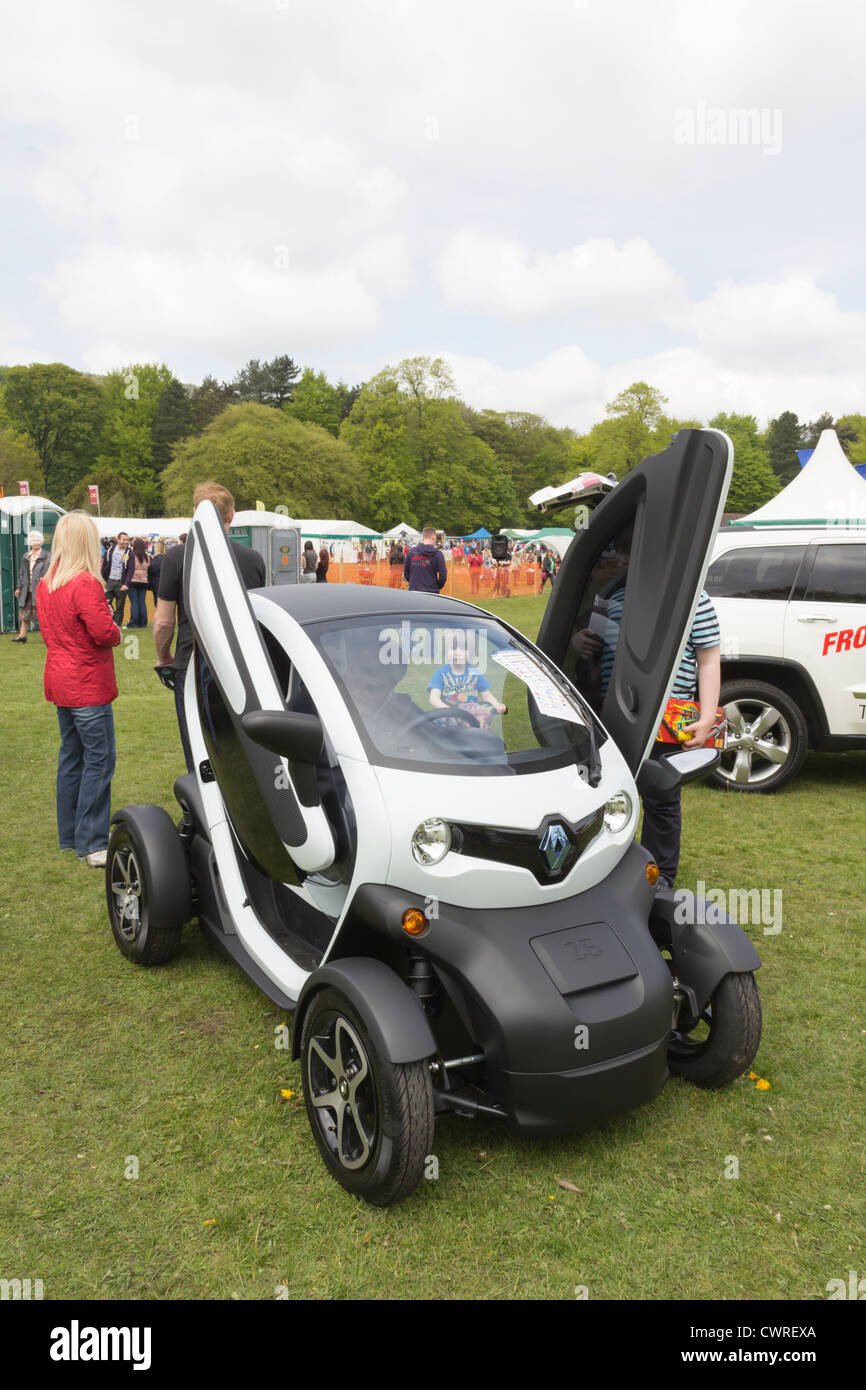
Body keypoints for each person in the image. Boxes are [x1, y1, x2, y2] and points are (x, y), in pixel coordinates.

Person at [154, 482, 265, 773]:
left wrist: (162, 655)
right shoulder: (253, 559)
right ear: (232, 515)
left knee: (197, 744)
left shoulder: (177, 557)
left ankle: (201, 810)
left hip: (192, 660)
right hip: (240, 662)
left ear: (194, 513)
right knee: (240, 745)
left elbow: (164, 620)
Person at [36, 512, 121, 867]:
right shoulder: (83, 583)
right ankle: (91, 841)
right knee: (99, 760)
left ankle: (71, 834)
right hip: (85, 683)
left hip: (62, 678)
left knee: (72, 758)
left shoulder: (47, 582)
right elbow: (103, 633)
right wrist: (116, 629)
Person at [428, 633, 506, 730]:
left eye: (463, 649)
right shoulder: (441, 673)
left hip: (471, 717)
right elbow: (434, 698)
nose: (457, 653)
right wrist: (447, 710)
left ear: (471, 653)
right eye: (453, 648)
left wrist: (496, 705)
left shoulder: (475, 673)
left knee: (478, 729)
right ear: (446, 651)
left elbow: (487, 696)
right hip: (449, 721)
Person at [12, 529, 51, 643]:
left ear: (41, 542)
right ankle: (22, 636)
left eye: (38, 540)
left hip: (40, 591)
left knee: (45, 615)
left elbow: (48, 573)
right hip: (26, 590)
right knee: (25, 614)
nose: (36, 543)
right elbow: (22, 573)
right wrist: (19, 588)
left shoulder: (48, 556)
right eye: (33, 541)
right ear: (30, 542)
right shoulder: (26, 556)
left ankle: (50, 636)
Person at [101, 531, 134, 626]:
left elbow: (131, 570)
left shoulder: (129, 553)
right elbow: (105, 565)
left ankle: (116, 626)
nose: (126, 541)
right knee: (105, 602)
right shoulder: (110, 550)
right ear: (118, 539)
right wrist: (104, 577)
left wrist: (126, 584)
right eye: (124, 539)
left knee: (120, 606)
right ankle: (112, 620)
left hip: (121, 582)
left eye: (127, 540)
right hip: (110, 581)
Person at [403, 526, 447, 593]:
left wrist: (413, 583)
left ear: (423, 537)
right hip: (431, 592)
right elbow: (443, 575)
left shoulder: (411, 552)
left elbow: (406, 572)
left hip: (414, 591)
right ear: (434, 538)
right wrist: (437, 586)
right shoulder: (438, 554)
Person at [127, 538, 151, 627]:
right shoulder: (147, 557)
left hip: (133, 581)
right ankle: (143, 623)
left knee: (134, 602)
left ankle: (133, 623)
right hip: (144, 582)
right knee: (142, 602)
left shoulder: (132, 556)